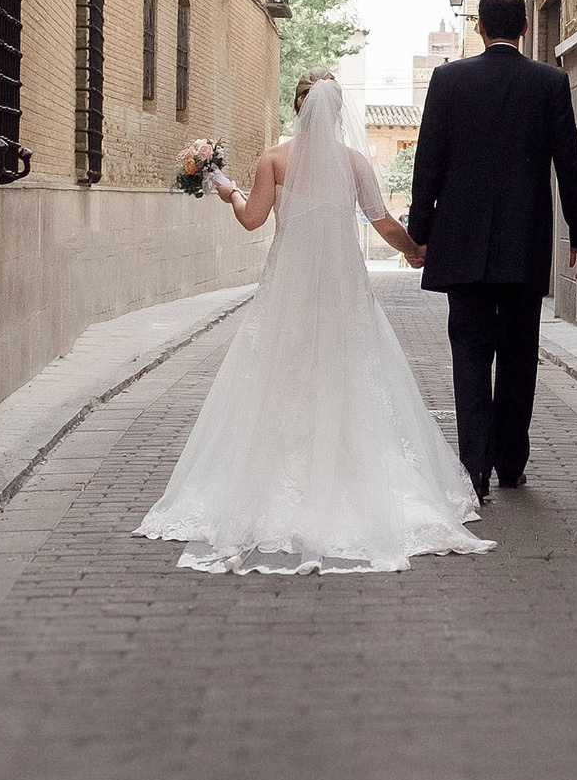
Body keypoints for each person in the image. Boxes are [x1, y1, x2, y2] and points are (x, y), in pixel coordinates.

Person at [133, 72, 492, 573]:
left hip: (289, 285)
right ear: (337, 109)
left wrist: (231, 192)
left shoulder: (274, 160)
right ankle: (357, 478)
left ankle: (274, 481)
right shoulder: (353, 162)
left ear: (298, 109)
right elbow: (382, 220)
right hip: (343, 285)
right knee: (350, 372)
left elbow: (253, 219)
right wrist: (415, 249)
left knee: (282, 372)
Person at [406, 0, 577, 501]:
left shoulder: (448, 81)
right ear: (525, 27)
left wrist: (419, 235)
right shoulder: (550, 83)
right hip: (522, 248)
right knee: (517, 357)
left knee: (468, 357)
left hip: (461, 247)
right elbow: (569, 165)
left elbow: (429, 166)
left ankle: (474, 472)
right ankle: (510, 465)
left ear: (480, 28)